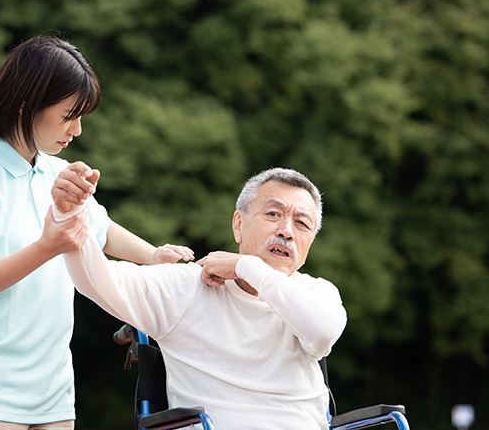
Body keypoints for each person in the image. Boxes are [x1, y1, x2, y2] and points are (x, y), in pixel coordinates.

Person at [0, 35, 193, 430]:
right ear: (25, 104)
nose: (78, 129)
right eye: (69, 115)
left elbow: (100, 230)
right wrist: (47, 247)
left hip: (53, 402)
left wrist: (154, 255)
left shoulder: (52, 171)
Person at [54, 167, 348, 430]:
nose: (286, 231)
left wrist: (246, 267)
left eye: (301, 223)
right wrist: (68, 214)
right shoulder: (189, 286)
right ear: (238, 225)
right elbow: (96, 280)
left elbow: (322, 335)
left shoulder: (317, 293)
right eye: (273, 214)